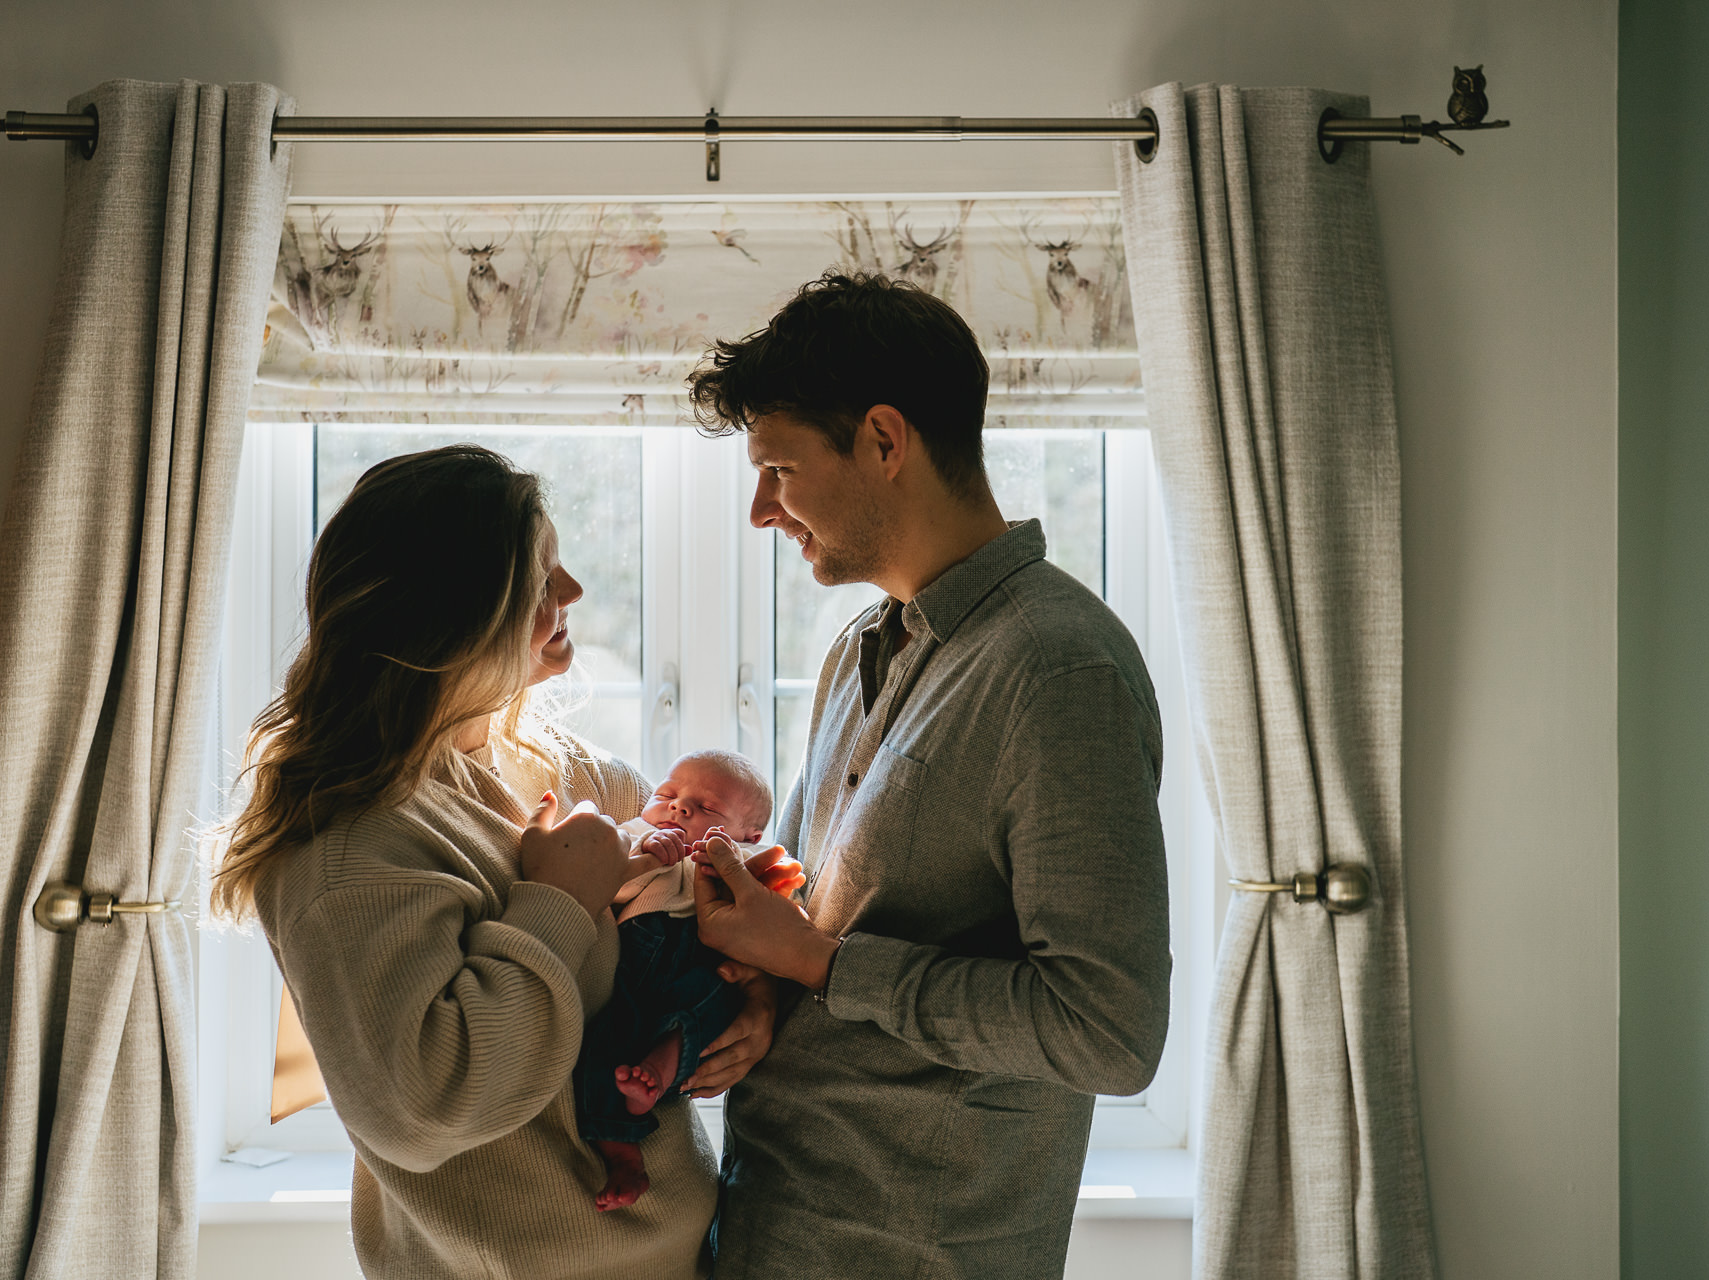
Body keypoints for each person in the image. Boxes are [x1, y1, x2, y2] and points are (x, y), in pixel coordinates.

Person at [685, 273, 1173, 1279]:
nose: (759, 511)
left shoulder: (1058, 669)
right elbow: (838, 928)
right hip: (771, 1224)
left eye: (778, 469)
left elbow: (1108, 1032)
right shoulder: (857, 649)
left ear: (883, 440)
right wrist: (776, 989)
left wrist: (823, 967)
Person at [210, 445, 797, 1279]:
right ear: (449, 612)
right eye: (540, 579)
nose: (573, 595)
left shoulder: (549, 765)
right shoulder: (345, 851)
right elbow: (423, 1108)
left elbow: (706, 895)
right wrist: (555, 905)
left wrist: (753, 992)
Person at [579, 750, 795, 1213]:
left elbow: (780, 924)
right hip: (641, 951)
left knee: (711, 1006)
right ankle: (622, 1152)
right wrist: (641, 859)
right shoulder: (635, 836)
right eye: (667, 795)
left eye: (708, 808)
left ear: (749, 835)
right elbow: (598, 887)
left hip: (703, 963)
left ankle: (660, 1069)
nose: (678, 809)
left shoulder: (748, 860)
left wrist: (772, 893)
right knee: (606, 1036)